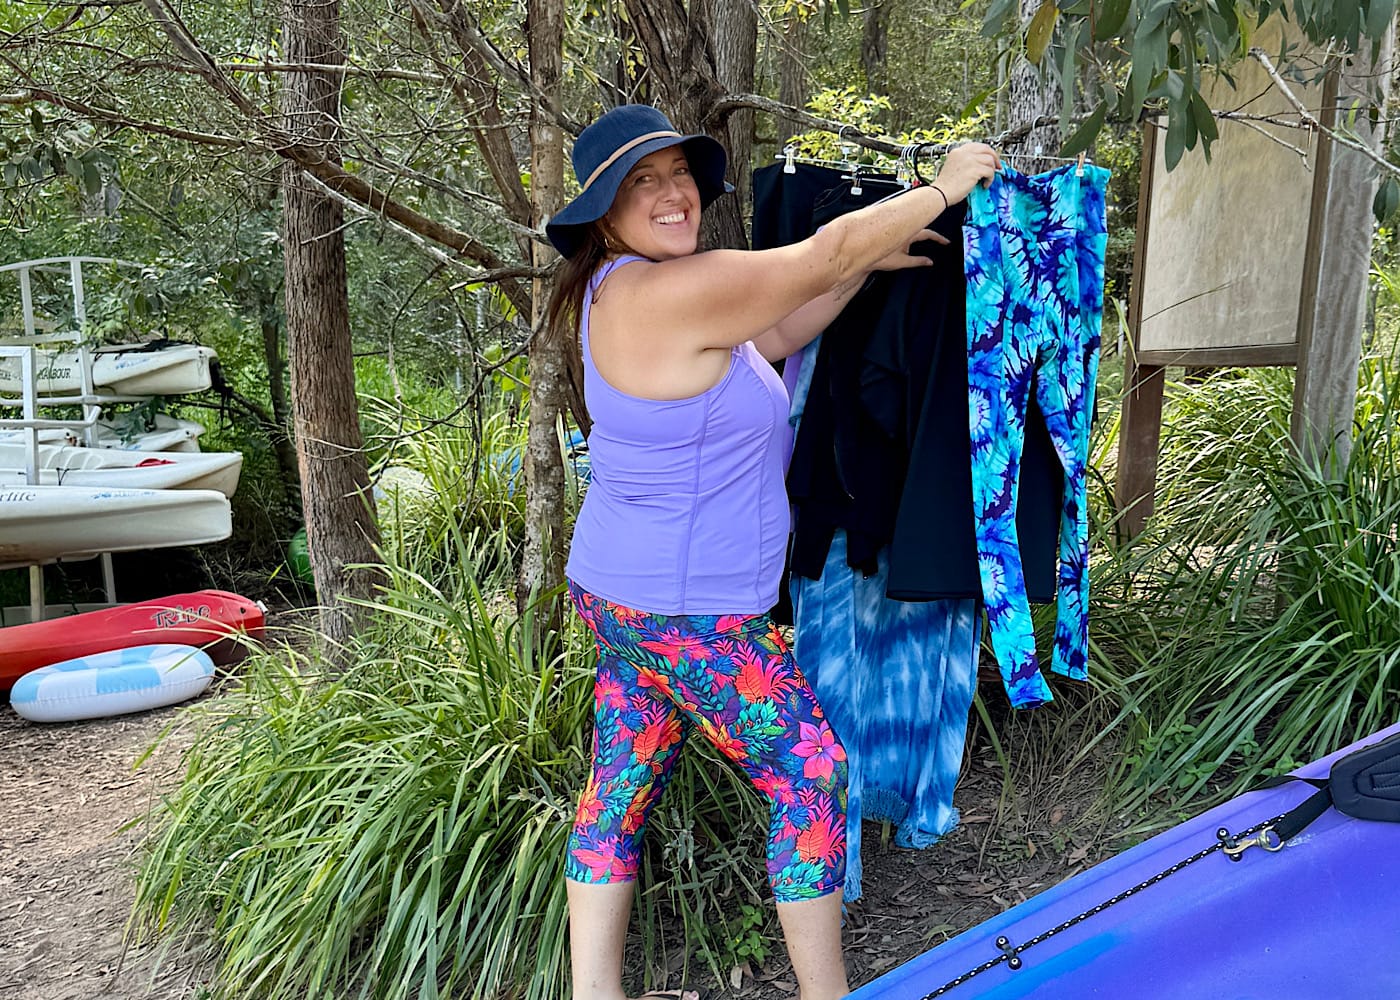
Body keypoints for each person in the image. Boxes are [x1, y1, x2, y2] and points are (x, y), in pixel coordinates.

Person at [543, 103, 999, 1000]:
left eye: (678, 172)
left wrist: (865, 272)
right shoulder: (668, 289)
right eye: (643, 181)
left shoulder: (624, 291)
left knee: (619, 788)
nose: (672, 193)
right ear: (603, 209)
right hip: (689, 613)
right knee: (814, 779)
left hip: (624, 597)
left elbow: (779, 329)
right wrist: (942, 188)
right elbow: (816, 257)